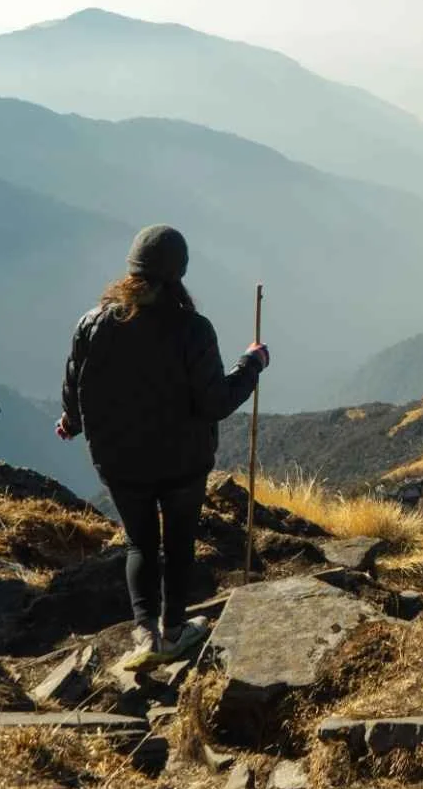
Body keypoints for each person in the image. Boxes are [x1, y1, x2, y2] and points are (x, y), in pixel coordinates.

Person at [58, 225, 269, 664]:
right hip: (182, 461)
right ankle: (174, 631)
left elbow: (76, 384)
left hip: (120, 461)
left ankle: (143, 634)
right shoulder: (192, 329)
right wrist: (251, 364)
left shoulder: (93, 324)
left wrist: (73, 422)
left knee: (140, 543)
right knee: (177, 544)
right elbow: (215, 402)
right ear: (180, 272)